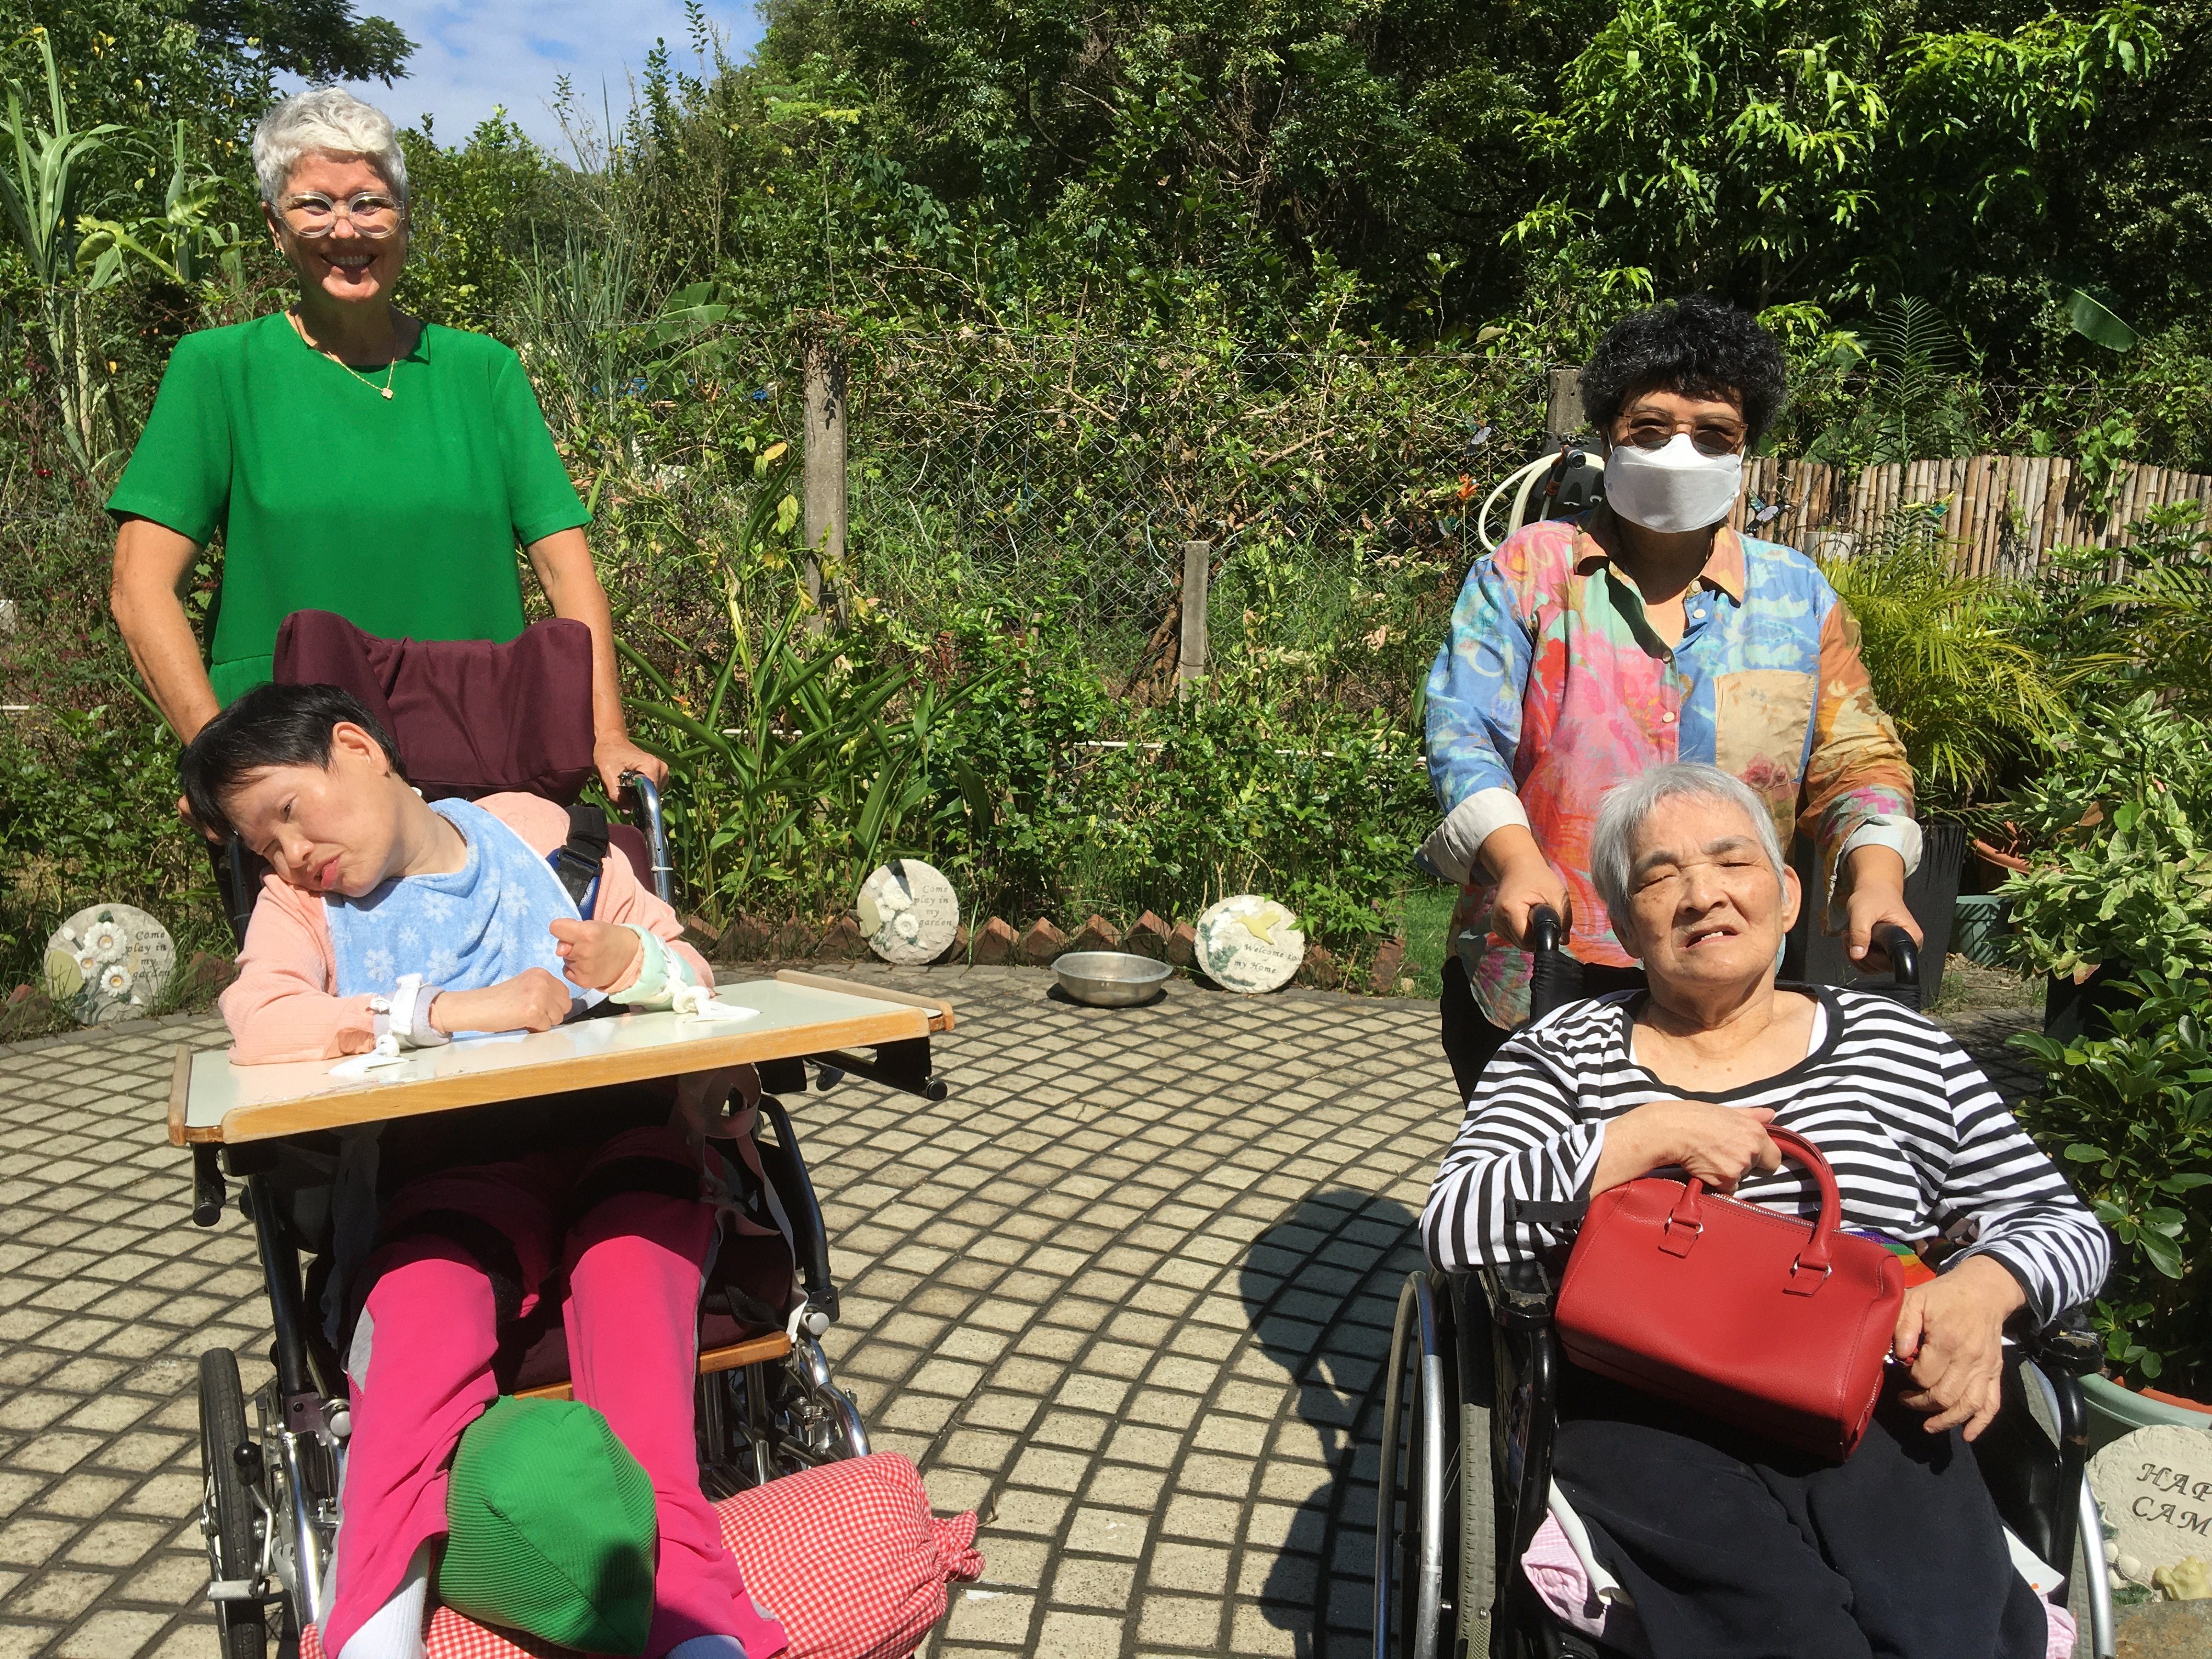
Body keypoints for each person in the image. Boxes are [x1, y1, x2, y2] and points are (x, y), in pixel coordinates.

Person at [1421, 762, 2109, 1659]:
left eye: (1731, 862)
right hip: (1638, 1402)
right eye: (1660, 877)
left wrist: (1985, 1292)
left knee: (1951, 1632)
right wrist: (1637, 1140)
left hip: (1866, 1393)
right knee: (1783, 1630)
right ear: (1625, 927)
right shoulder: (1562, 1053)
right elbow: (1453, 1221)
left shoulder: (1898, 1046)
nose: (1702, 895)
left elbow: (2063, 1222)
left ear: (1787, 896)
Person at [182, 682, 777, 1659]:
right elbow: (259, 1020)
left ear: (358, 749)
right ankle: (375, 1626)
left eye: (287, 814)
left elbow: (690, 977)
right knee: (419, 1321)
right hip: (453, 1175)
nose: (288, 858)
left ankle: (688, 1619)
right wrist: (454, 1014)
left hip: (623, 1147)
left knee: (635, 1331)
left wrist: (633, 960)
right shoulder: (305, 909)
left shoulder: (545, 839)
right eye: (262, 848)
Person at [1421, 294, 1920, 1099]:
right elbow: (1461, 733)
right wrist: (1515, 863)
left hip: (1731, 985)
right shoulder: (1527, 573)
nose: (1678, 451)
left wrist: (1877, 878)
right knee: (1542, 1201)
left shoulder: (1796, 598)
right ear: (1609, 434)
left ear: (1744, 447)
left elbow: (1856, 757)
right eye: (1650, 427)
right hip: (1539, 965)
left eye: (1712, 433)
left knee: (1702, 1208)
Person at [108, 87, 661, 804]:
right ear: (275, 228)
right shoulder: (219, 371)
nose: (346, 229)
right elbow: (140, 588)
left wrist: (606, 732)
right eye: (315, 205)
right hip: (293, 774)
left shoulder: (482, 372)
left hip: (485, 761)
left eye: (369, 202)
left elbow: (566, 572)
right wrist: (219, 756)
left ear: (403, 220)